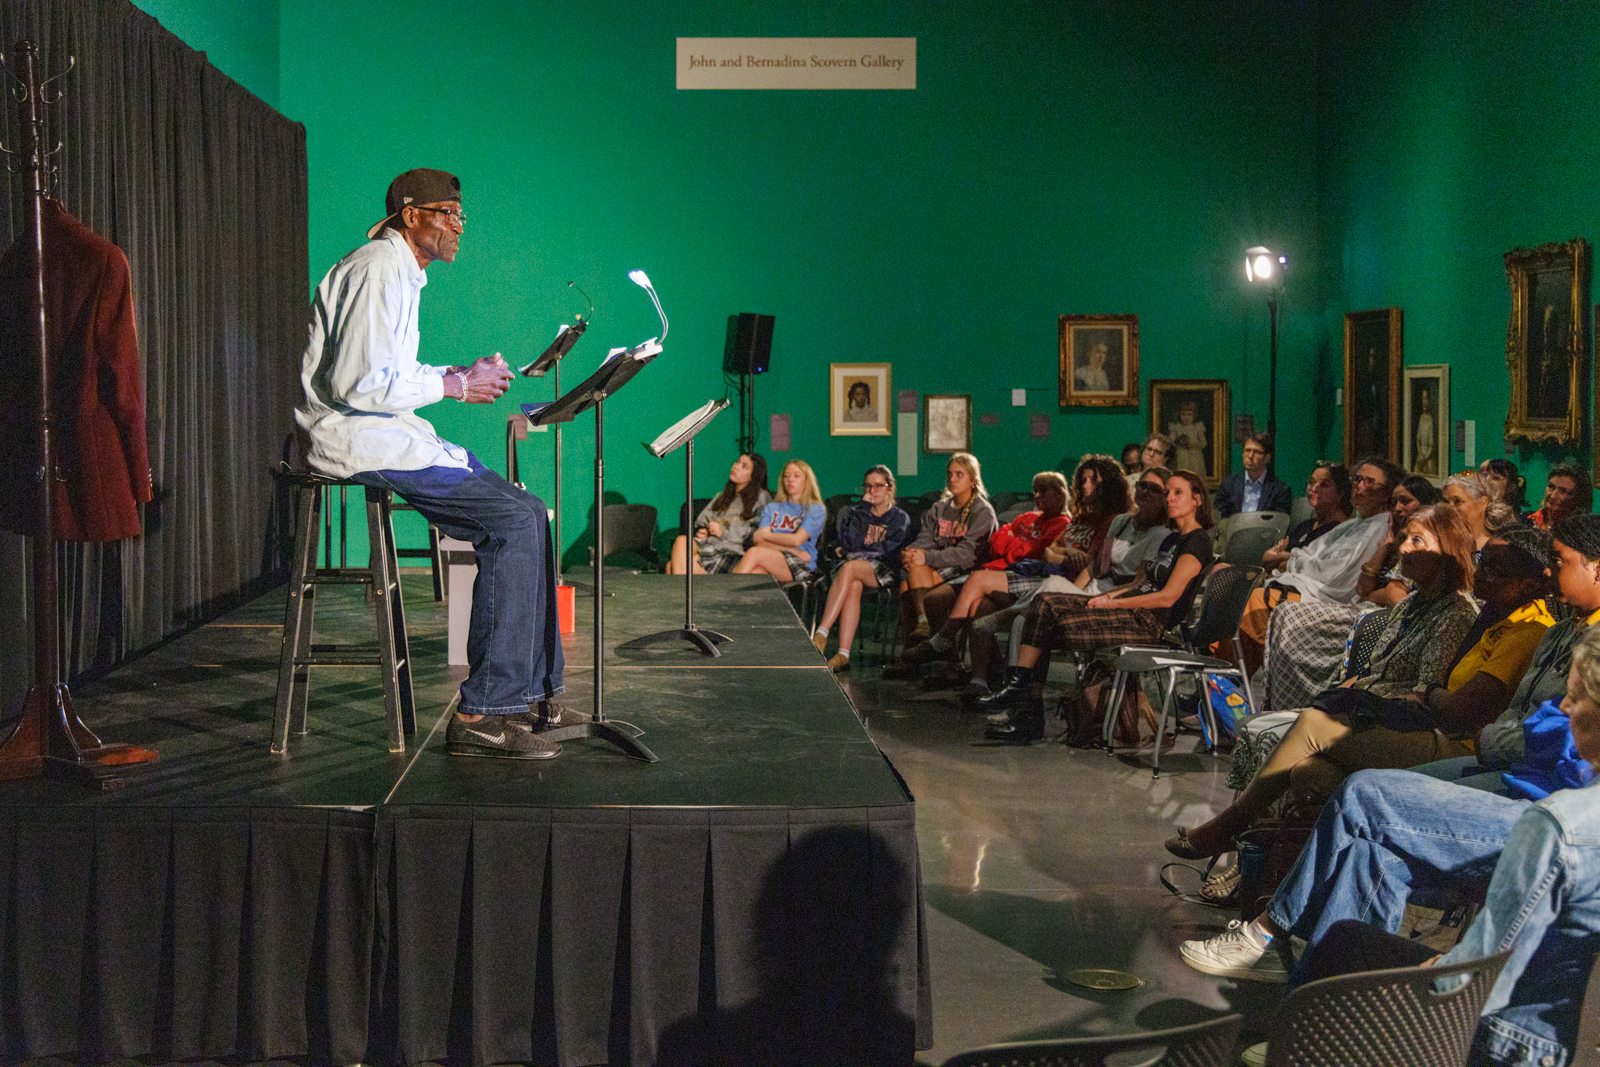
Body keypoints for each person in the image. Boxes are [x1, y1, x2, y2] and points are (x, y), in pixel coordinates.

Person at [1177, 623, 1600, 1067]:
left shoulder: (1559, 826)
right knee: (1370, 855)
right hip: (1545, 1037)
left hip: (1502, 1041)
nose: (1565, 706)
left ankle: (1275, 937)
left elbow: (1471, 979)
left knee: (1364, 794)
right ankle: (1317, 1032)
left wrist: (1401, 996)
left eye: (1576, 697)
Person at [295, 168, 563, 759]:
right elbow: (359, 382)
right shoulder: (378, 268)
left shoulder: (399, 273)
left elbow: (383, 372)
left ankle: (531, 692)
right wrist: (456, 384)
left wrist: (455, 378)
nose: (459, 226)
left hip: (390, 434)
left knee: (530, 512)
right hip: (357, 440)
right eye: (448, 213)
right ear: (410, 215)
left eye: (461, 216)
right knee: (514, 523)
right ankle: (482, 713)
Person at [1168, 512, 1545, 861]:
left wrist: (1428, 696)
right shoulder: (1440, 610)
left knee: (1314, 726)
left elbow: (1449, 704)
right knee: (1309, 774)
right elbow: (1379, 672)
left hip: (1446, 740)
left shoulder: (1508, 624)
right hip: (1402, 714)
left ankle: (1231, 826)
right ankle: (1280, 874)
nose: (1403, 549)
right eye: (1483, 565)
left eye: (1417, 542)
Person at [979, 471, 1215, 744]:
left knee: (1042, 625)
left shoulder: (1196, 541)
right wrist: (1112, 598)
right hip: (1131, 609)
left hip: (1149, 622)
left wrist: (1114, 603)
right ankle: (1020, 691)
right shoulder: (1173, 540)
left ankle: (1025, 712)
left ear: (1197, 499)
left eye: (1178, 493)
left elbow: (1167, 597)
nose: (1169, 498)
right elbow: (1143, 583)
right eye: (1168, 492)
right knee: (1044, 602)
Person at [1410, 514, 1600, 795]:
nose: (1548, 571)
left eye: (1558, 561)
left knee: (1380, 796)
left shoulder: (1592, 645)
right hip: (1504, 758)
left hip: (1546, 782)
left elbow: (1565, 735)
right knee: (1396, 783)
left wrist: (1490, 741)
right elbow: (1518, 708)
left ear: (1597, 570)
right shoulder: (1557, 633)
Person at [964, 468, 1171, 700]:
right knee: (1025, 620)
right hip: (1091, 590)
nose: (1145, 492)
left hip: (1113, 599)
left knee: (1052, 584)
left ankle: (1004, 615)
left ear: (1165, 497)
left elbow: (1139, 582)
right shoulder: (1122, 522)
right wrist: (1073, 596)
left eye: (1153, 489)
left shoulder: (1159, 535)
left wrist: (1103, 599)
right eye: (1142, 486)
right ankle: (1018, 699)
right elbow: (1091, 567)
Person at [1260, 473, 1436, 711]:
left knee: (1288, 615)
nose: (1398, 508)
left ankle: (1298, 705)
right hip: (1367, 607)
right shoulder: (1395, 539)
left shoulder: (1426, 546)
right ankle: (1276, 705)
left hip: (1384, 618)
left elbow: (1396, 596)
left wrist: (1380, 593)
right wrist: (1386, 545)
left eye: (1405, 501)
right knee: (1285, 612)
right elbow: (1363, 588)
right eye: (1395, 502)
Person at [887, 471, 1070, 678]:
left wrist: (1012, 544)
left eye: (1043, 491)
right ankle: (952, 661)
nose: (1037, 496)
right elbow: (995, 542)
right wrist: (1016, 546)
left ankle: (951, 653)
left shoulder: (1062, 524)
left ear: (1060, 493)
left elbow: (1033, 553)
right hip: (990, 572)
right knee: (933, 599)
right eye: (1035, 490)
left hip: (1016, 579)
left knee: (978, 606)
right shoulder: (1026, 517)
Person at [1236, 457, 1401, 675]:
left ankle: (1229, 684)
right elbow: (1310, 552)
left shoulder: (1379, 527)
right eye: (1358, 479)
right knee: (1240, 590)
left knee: (1258, 599)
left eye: (1369, 482)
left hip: (1333, 599)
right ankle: (1216, 680)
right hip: (1309, 583)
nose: (1360, 487)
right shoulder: (1355, 523)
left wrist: (1288, 562)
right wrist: (1291, 560)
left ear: (1385, 492)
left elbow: (1337, 577)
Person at [811, 465, 911, 672]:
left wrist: (862, 552)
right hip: (855, 568)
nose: (872, 491)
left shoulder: (899, 517)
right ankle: (843, 654)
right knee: (853, 584)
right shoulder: (857, 513)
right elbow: (849, 543)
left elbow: (889, 549)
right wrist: (864, 512)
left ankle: (821, 633)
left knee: (848, 569)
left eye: (878, 486)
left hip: (883, 569)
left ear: (890, 488)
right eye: (868, 487)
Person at [897, 453, 999, 644]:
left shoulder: (982, 511)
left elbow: (967, 555)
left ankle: (929, 648)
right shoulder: (939, 507)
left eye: (959, 474)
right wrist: (912, 552)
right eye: (949, 474)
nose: (952, 479)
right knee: (908, 581)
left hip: (969, 571)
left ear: (972, 480)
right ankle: (918, 644)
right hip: (941, 566)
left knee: (908, 586)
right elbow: (925, 539)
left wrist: (926, 558)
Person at [666, 453, 770, 575]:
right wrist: (703, 532)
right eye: (737, 461)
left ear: (753, 476)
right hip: (712, 548)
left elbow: (757, 534)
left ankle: (683, 591)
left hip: (735, 553)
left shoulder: (761, 497)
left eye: (744, 466)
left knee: (672, 566)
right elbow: (702, 521)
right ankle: (684, 592)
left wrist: (724, 533)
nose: (736, 466)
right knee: (682, 541)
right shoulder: (721, 496)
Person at [734, 459, 825, 582]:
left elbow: (796, 540)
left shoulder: (815, 509)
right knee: (757, 572)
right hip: (783, 556)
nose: (790, 480)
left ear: (807, 481)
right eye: (786, 476)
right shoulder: (772, 508)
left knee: (754, 553)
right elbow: (760, 541)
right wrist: (794, 551)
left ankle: (723, 598)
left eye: (796, 476)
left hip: (801, 564)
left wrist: (768, 535)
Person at [1048, 454, 1129, 579]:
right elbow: (1050, 548)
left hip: (1069, 579)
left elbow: (1089, 563)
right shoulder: (1081, 518)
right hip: (1051, 572)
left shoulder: (1112, 520)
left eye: (1093, 481)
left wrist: (1053, 557)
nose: (1085, 486)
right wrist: (1069, 552)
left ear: (1109, 487)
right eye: (1083, 481)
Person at [1261, 462, 1351, 574]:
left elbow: (1320, 569)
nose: (1313, 488)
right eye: (1311, 482)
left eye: (1324, 485)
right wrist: (1282, 557)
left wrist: (1284, 557)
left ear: (1340, 493)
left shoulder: (1342, 531)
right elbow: (1269, 558)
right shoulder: (1304, 526)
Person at [1214, 432, 1293, 519]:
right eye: (1247, 450)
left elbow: (1279, 522)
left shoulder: (1280, 490)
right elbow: (1219, 517)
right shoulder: (1229, 484)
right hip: (1234, 531)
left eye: (1257, 452)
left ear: (1267, 458)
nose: (1250, 456)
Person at [1528, 464, 1591, 530]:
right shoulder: (1528, 520)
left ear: (1578, 498)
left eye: (1563, 491)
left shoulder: (1584, 531)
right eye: (1551, 487)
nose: (1553, 496)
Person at [1444, 469, 1492, 551]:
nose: (1449, 508)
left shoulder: (1497, 550)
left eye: (1457, 501)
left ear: (1482, 504)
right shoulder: (1441, 546)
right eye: (1445, 502)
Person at [1168, 400, 1208, 475]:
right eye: (1183, 414)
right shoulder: (1176, 427)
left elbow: (1204, 443)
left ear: (1194, 416)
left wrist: (1192, 444)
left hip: (1195, 456)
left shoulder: (1197, 427)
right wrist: (1177, 441)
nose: (1186, 417)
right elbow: (1171, 441)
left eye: (1189, 415)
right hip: (1181, 455)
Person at [1413, 387, 1436, 476]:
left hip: (1429, 456)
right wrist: (1421, 455)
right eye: (1423, 398)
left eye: (1426, 398)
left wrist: (1426, 457)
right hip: (1421, 455)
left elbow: (1431, 442)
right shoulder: (1421, 418)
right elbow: (1418, 439)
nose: (1424, 402)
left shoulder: (1431, 419)